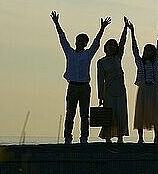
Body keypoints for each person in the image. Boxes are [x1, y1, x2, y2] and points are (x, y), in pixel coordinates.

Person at [51, 11, 111, 144]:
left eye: (82, 41)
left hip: (84, 87)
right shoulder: (70, 52)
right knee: (70, 113)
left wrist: (102, 28)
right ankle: (68, 137)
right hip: (72, 86)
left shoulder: (88, 54)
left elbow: (96, 43)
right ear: (76, 41)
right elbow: (62, 38)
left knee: (84, 114)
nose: (80, 42)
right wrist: (56, 23)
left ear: (85, 43)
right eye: (78, 40)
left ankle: (84, 138)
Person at [129, 18, 158, 144]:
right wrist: (132, 32)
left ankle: (156, 138)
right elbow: (134, 50)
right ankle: (140, 138)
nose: (147, 52)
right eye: (146, 50)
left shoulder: (155, 62)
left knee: (156, 113)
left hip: (154, 88)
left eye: (150, 50)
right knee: (141, 112)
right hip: (143, 88)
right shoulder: (140, 63)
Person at [97, 17, 129, 143]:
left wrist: (125, 28)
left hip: (121, 90)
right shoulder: (101, 62)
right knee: (109, 114)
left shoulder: (118, 58)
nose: (112, 47)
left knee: (121, 113)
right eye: (110, 45)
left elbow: (123, 43)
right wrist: (100, 95)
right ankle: (108, 137)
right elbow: (100, 79)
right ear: (105, 48)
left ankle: (120, 137)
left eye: (114, 45)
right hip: (108, 91)